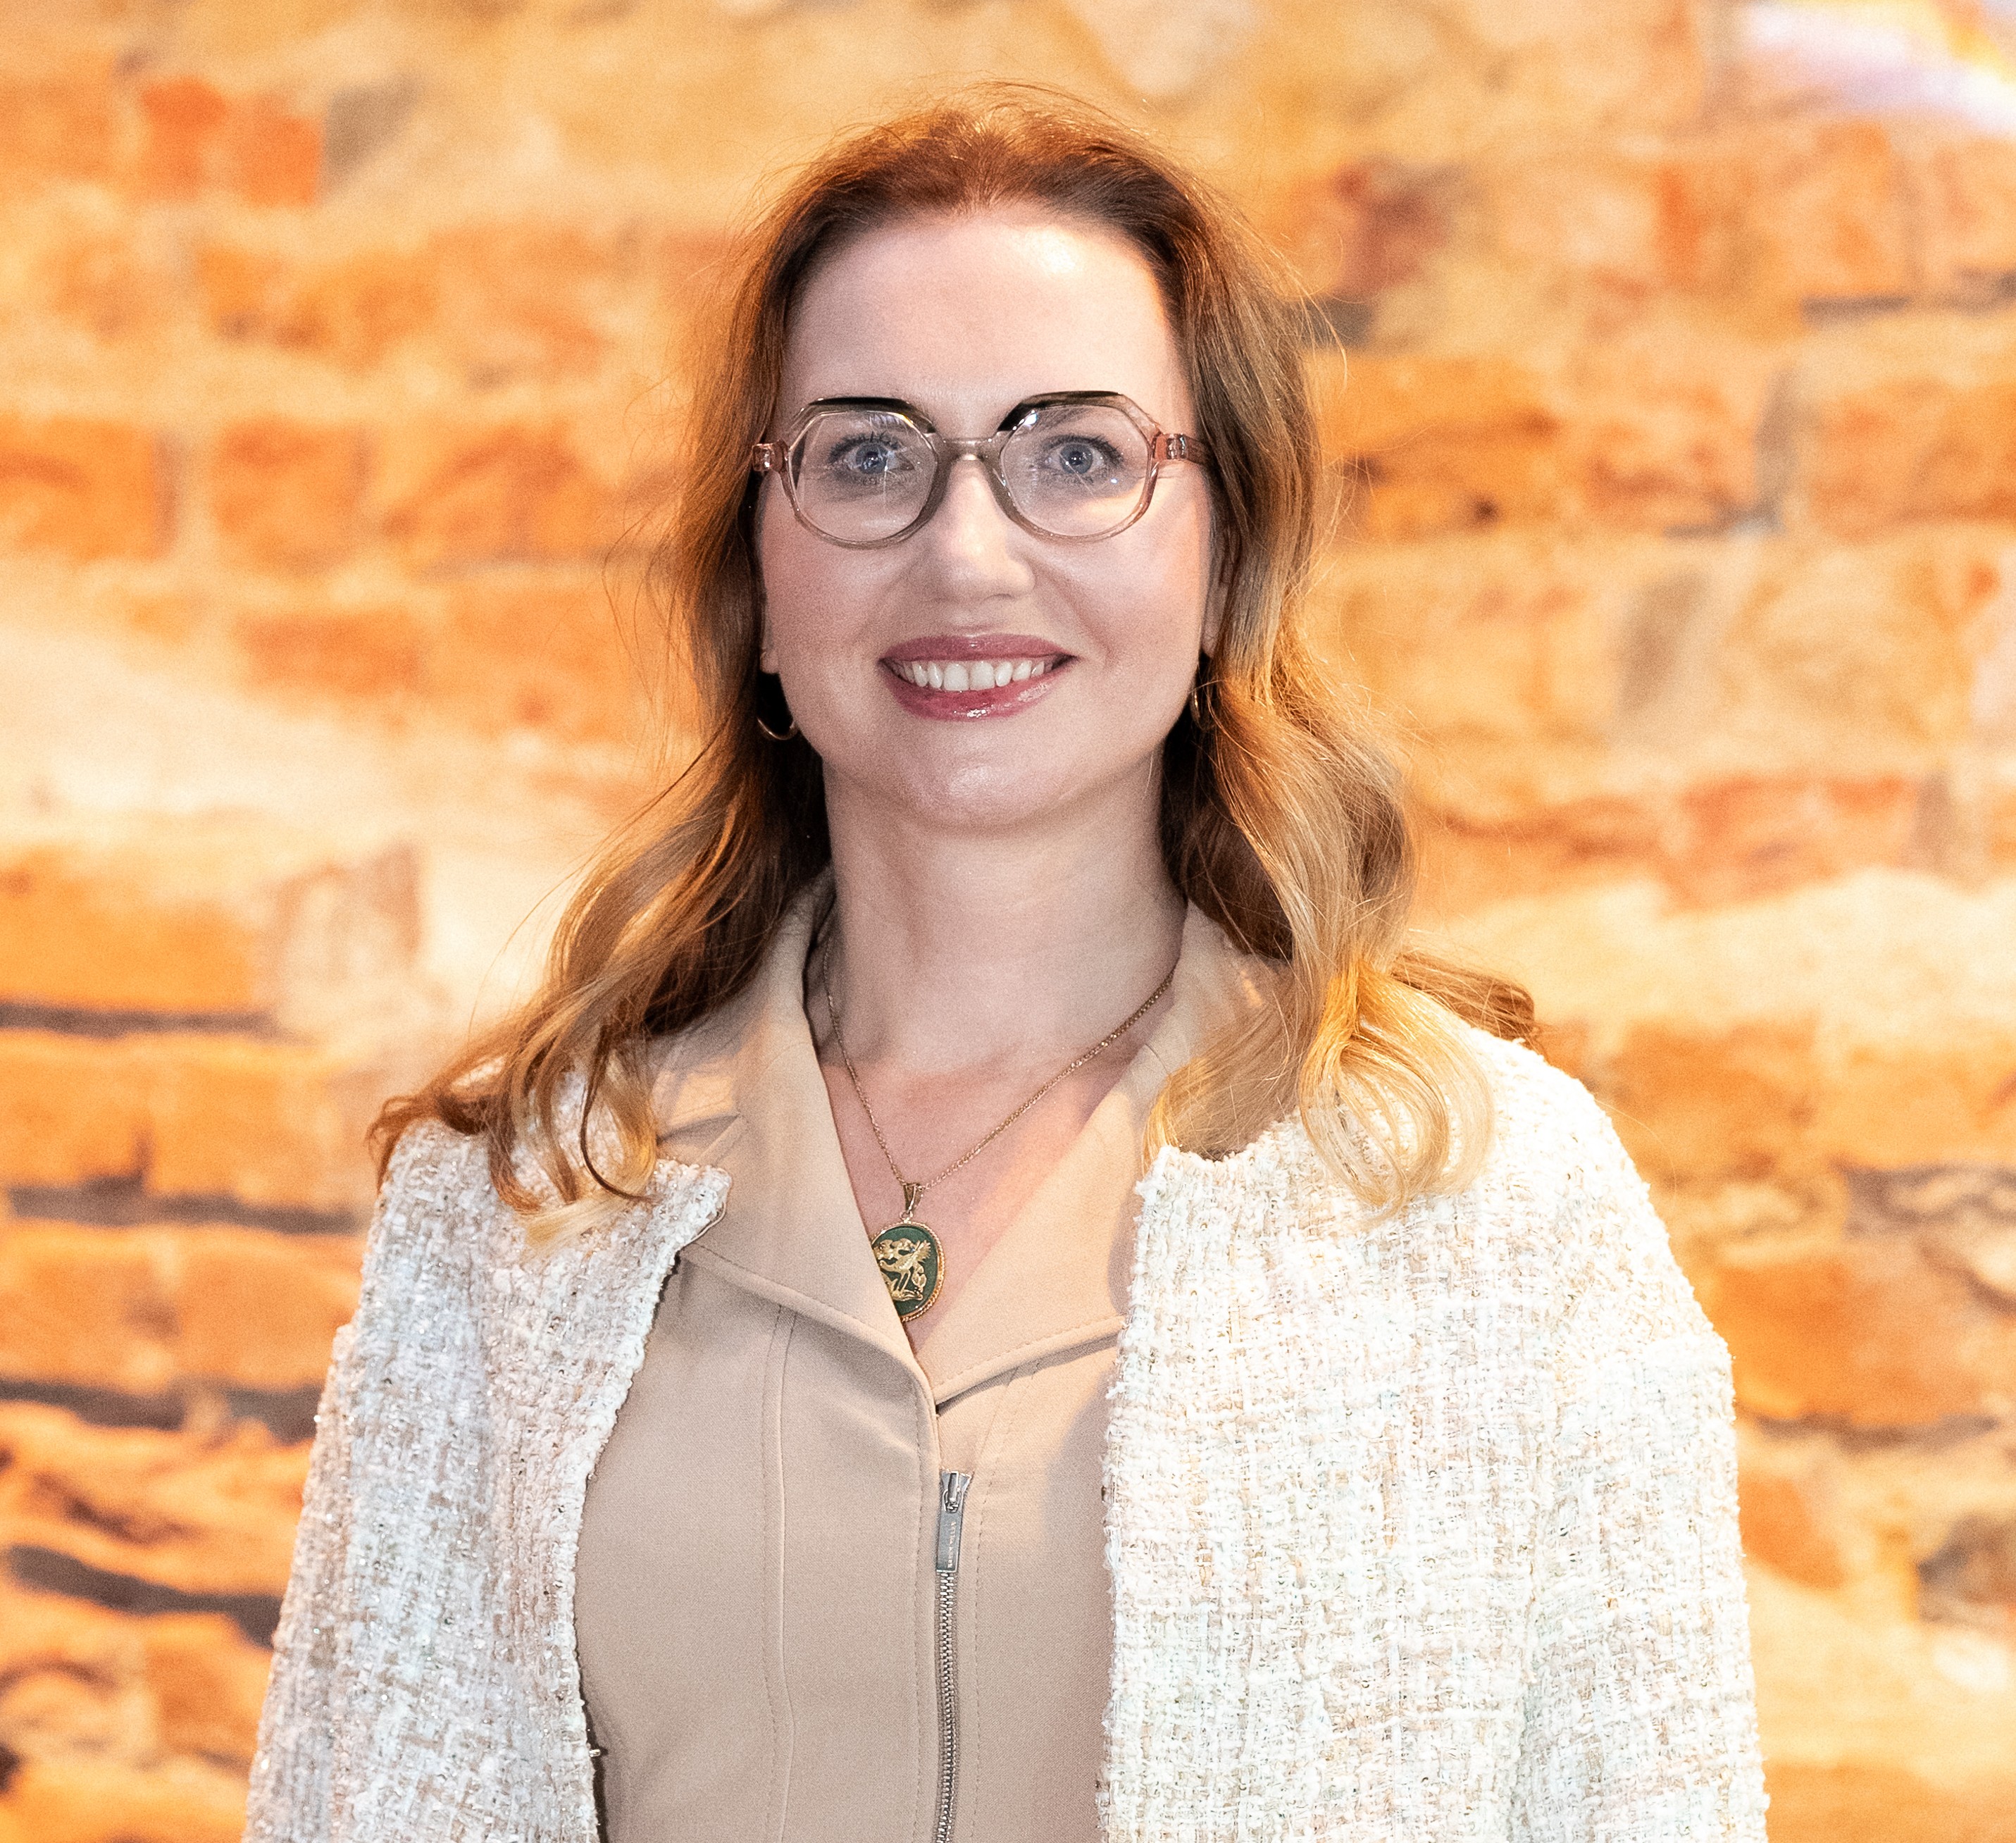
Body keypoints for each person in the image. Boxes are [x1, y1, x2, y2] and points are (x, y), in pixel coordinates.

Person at [244, 87, 1766, 1843]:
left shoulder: (1487, 1200)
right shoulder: (520, 1205)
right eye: (868, 456)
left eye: (1079, 456)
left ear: (1226, 557)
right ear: (760, 570)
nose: (967, 553)